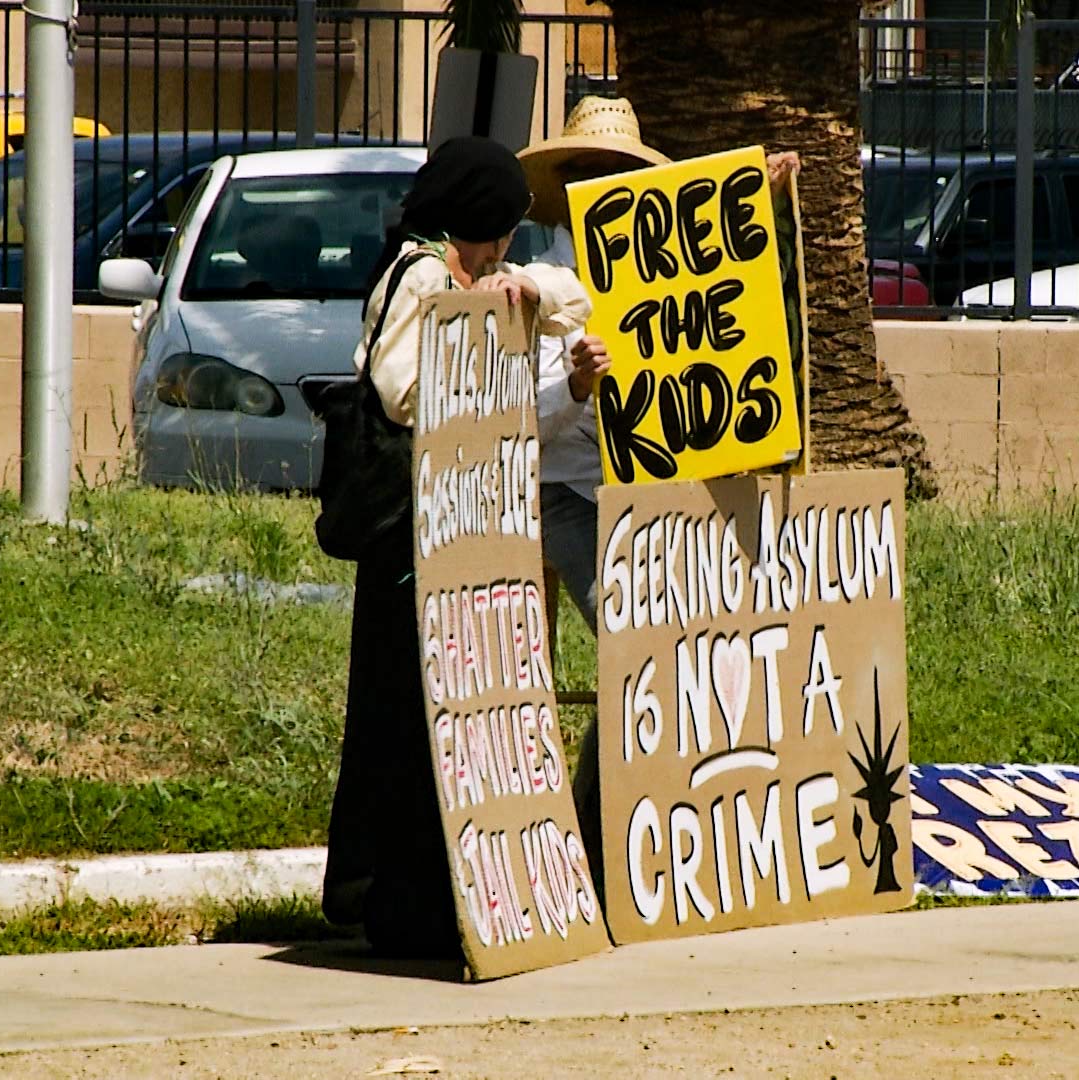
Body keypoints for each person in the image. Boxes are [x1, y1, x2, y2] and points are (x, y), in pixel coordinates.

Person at [322, 135, 598, 960]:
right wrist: (473, 319)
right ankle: (397, 902)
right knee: (406, 718)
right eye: (495, 236)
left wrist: (515, 291)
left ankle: (428, 900)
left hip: (446, 531)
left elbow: (571, 296)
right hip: (406, 538)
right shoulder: (422, 279)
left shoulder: (459, 275)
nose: (499, 253)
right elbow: (405, 393)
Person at [516, 98, 802, 881]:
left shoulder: (666, 268)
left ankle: (606, 838)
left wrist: (767, 205)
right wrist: (575, 382)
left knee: (662, 664)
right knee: (638, 660)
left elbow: (732, 309)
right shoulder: (546, 288)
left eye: (613, 173)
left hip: (653, 501)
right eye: (589, 174)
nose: (601, 185)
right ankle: (595, 840)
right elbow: (528, 426)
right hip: (577, 498)